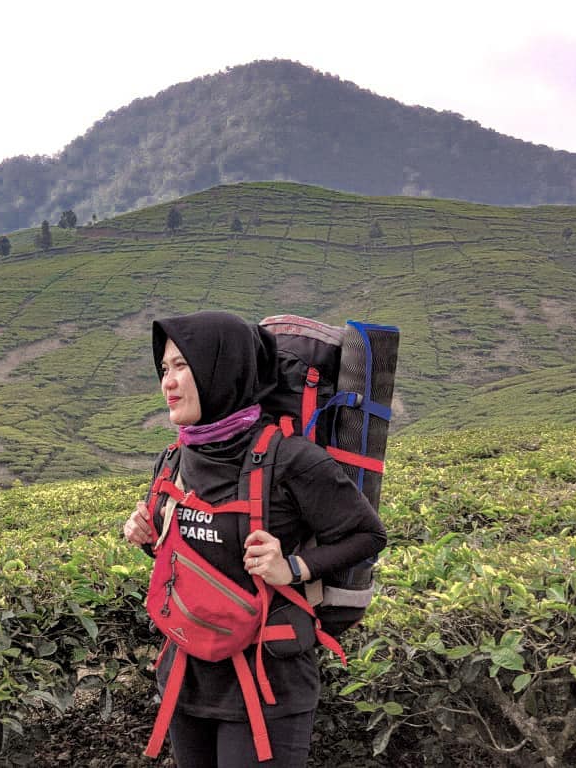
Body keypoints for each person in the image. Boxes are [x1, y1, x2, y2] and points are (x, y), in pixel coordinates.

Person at [123, 311, 386, 768]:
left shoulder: (291, 461)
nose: (168, 381)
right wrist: (148, 535)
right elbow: (196, 554)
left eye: (183, 365)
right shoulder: (172, 459)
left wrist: (293, 568)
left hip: (267, 686)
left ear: (222, 368)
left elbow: (368, 534)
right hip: (187, 679)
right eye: (164, 368)